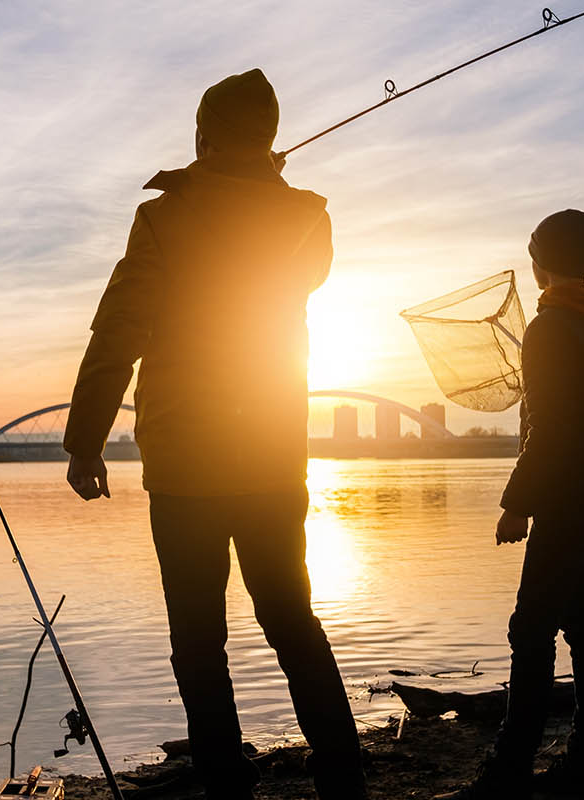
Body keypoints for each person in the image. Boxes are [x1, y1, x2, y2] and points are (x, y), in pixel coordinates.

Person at [62, 69, 366, 800]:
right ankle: (344, 778)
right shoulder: (306, 218)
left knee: (199, 640)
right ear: (266, 139)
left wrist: (85, 438)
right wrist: (265, 186)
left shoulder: (166, 218)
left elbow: (119, 330)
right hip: (271, 452)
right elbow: (306, 275)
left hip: (185, 464)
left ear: (202, 135)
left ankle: (228, 786)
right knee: (292, 618)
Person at [446, 209, 584, 800]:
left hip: (570, 497)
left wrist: (515, 504)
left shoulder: (550, 328)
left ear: (539, 261)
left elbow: (550, 431)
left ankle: (509, 769)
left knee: (530, 630)